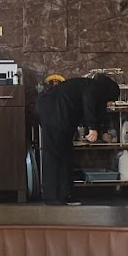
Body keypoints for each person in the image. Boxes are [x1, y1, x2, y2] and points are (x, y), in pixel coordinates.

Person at [36, 72, 121, 205]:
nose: (110, 104)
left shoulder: (88, 85)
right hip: (53, 110)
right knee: (56, 154)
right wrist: (92, 127)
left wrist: (102, 131)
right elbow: (88, 101)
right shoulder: (94, 87)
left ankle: (63, 195)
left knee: (63, 153)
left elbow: (94, 110)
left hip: (50, 108)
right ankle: (54, 197)